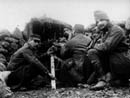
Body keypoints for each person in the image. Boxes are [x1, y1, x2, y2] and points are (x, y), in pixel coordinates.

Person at [87, 10, 128, 90]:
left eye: (102, 20)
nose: (99, 23)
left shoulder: (116, 30)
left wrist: (93, 46)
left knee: (92, 52)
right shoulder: (105, 31)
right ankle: (117, 79)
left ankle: (102, 80)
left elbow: (107, 47)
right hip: (113, 59)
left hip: (121, 59)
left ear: (107, 20)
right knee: (89, 81)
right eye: (97, 21)